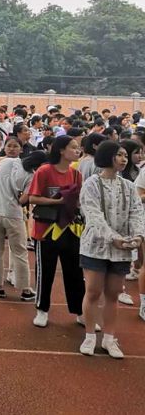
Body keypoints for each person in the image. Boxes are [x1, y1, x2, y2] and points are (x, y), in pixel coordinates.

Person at [78, 141, 145, 358]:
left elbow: (136, 212)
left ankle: (109, 338)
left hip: (122, 248)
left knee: (114, 294)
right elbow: (93, 214)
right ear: (108, 156)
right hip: (96, 246)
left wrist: (138, 235)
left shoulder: (127, 186)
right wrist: (111, 237)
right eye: (120, 155)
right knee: (93, 291)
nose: (124, 159)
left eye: (126, 155)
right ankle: (89, 336)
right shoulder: (91, 184)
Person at [28, 135, 86, 328]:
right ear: (61, 150)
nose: (77, 151)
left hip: (70, 230)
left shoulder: (77, 174)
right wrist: (58, 201)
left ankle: (80, 311)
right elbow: (33, 198)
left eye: (78, 148)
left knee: (75, 273)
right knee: (46, 272)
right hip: (46, 231)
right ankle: (42, 310)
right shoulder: (45, 171)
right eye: (73, 147)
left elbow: (79, 202)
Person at [0, 143, 43, 300]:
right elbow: (23, 200)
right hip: (13, 214)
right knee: (20, 252)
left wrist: (1, 181)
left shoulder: (8, 162)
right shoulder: (32, 176)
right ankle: (25, 289)